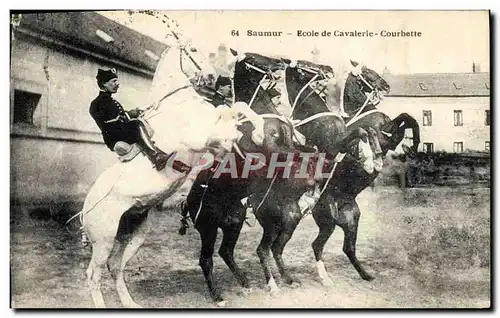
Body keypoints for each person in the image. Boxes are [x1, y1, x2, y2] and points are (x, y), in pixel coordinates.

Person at [89, 68, 170, 171]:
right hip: (114, 136)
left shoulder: (108, 100)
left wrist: (131, 113)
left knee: (140, 121)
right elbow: (110, 121)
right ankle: (156, 157)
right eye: (114, 81)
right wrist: (129, 115)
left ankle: (158, 153)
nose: (117, 84)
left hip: (120, 131)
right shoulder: (97, 103)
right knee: (136, 124)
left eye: (117, 81)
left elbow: (118, 116)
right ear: (104, 84)